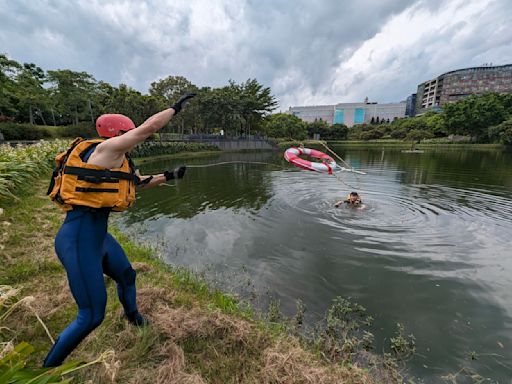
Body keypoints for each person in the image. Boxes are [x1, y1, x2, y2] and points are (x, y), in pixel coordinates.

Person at [43, 93, 196, 367]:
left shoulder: (115, 159)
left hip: (99, 237)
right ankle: (46, 371)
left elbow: (134, 182)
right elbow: (149, 128)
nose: (133, 138)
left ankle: (132, 316)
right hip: (78, 240)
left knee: (126, 275)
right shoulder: (105, 150)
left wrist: (169, 176)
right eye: (129, 132)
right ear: (118, 132)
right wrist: (175, 108)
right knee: (91, 315)